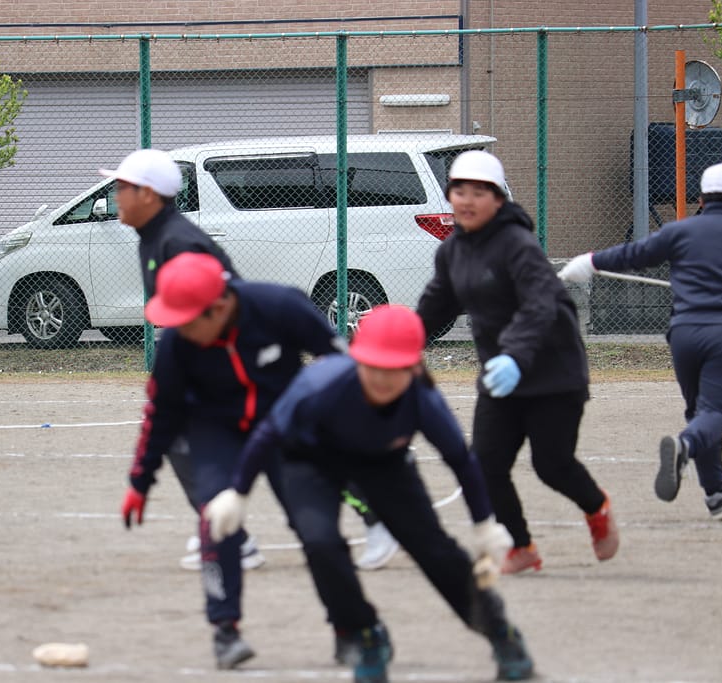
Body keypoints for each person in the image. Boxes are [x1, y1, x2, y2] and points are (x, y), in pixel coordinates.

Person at [204, 305, 534, 683]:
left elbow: (461, 460)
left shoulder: (421, 398)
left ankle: (500, 632)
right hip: (310, 462)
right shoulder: (321, 384)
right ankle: (365, 633)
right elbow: (268, 434)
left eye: (395, 369)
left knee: (434, 549)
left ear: (414, 367)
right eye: (373, 366)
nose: (382, 378)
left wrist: (484, 524)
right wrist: (238, 493)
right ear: (356, 358)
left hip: (383, 464)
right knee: (319, 542)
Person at [101, 148, 395, 571]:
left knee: (302, 451)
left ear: (147, 194)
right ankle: (229, 533)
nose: (115, 195)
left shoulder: (179, 243)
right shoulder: (154, 238)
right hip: (222, 374)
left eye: (122, 187)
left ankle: (378, 516)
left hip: (252, 372)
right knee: (190, 440)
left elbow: (219, 311)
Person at [120, 251, 348, 670]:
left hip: (283, 427)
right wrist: (140, 480)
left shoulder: (280, 306)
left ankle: (348, 626)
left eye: (188, 320)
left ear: (221, 306)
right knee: (216, 518)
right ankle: (225, 629)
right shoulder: (177, 343)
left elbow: (340, 364)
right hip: (217, 433)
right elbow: (161, 413)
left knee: (317, 530)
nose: (180, 329)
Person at [416, 150, 619, 574]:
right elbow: (436, 306)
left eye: (479, 192)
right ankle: (521, 546)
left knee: (552, 465)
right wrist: (400, 342)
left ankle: (597, 507)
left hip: (552, 373)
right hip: (501, 376)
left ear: (498, 199)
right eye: (460, 191)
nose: (467, 200)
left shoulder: (518, 245)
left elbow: (539, 306)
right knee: (485, 466)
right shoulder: (452, 252)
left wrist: (514, 355)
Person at [559, 161, 722, 519]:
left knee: (701, 413)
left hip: (684, 334)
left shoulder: (680, 231)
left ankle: (716, 494)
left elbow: (632, 255)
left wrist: (590, 262)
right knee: (717, 412)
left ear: (701, 198)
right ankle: (685, 446)